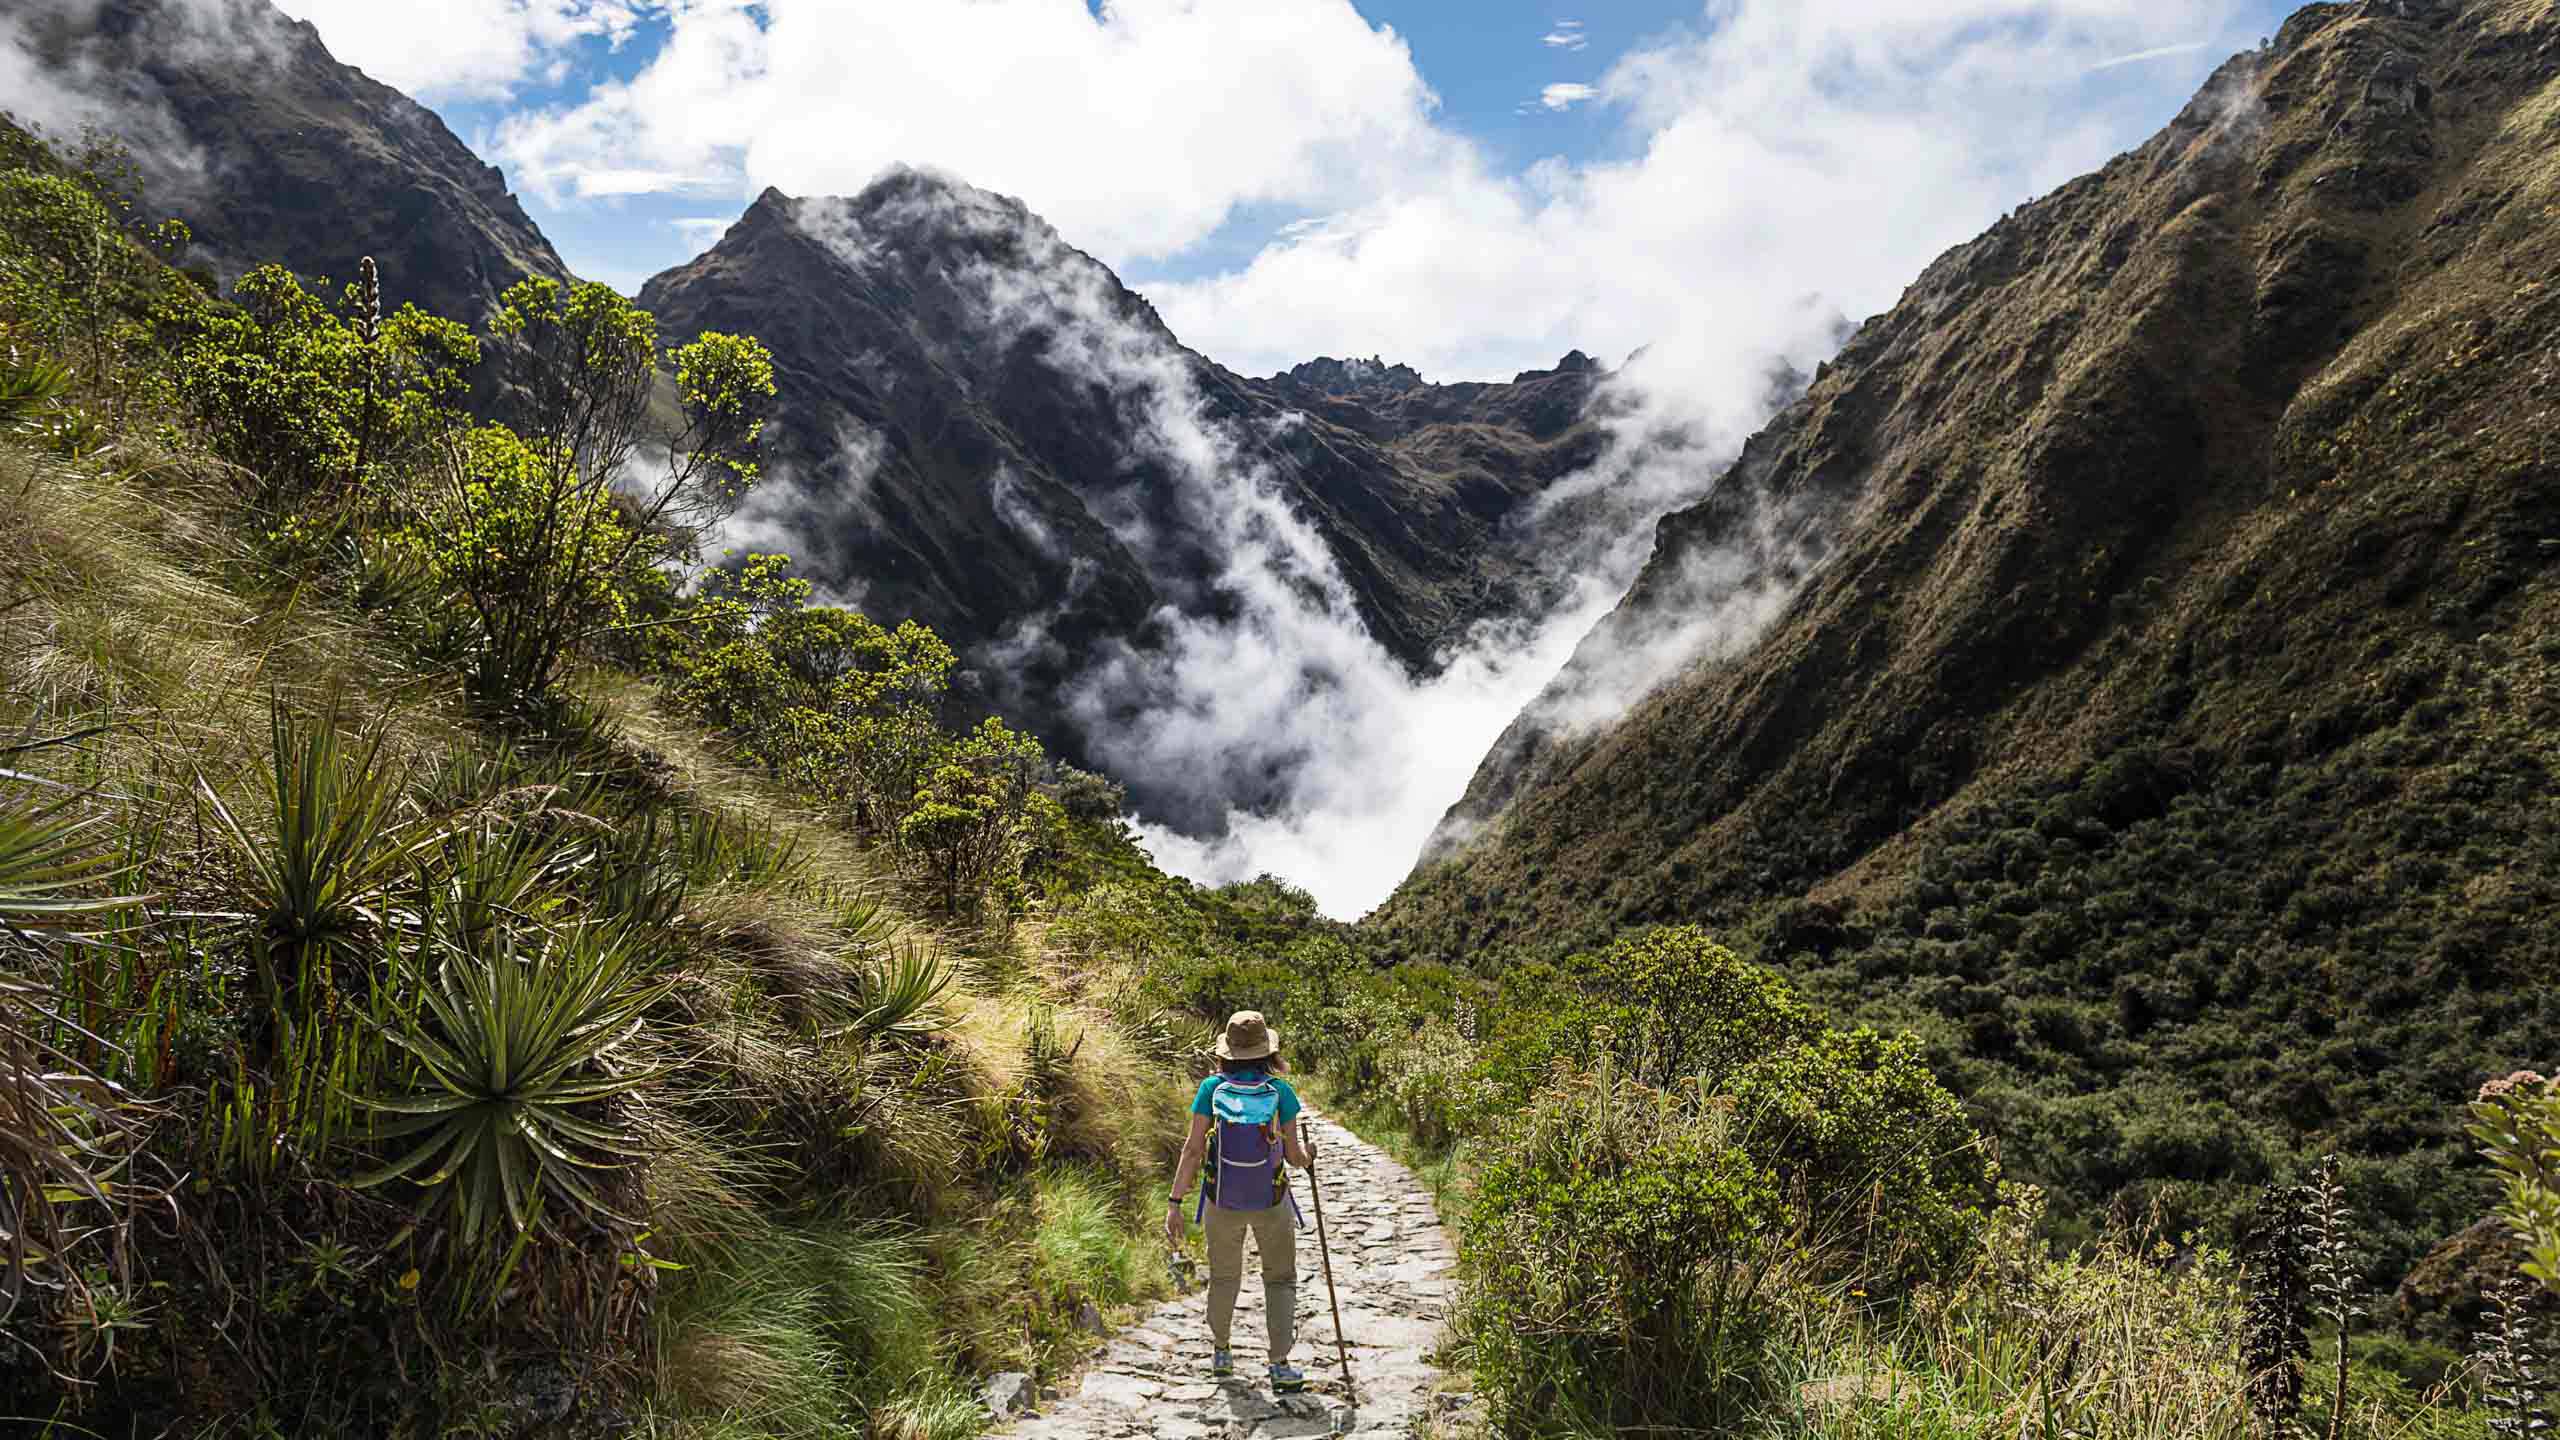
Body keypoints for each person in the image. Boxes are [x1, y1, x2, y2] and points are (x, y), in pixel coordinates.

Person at [1165, 1010, 1313, 1391]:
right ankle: (1279, 1364)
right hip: (1271, 1200)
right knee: (1279, 1279)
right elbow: (1294, 1157)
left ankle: (1222, 1352)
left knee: (1225, 1276)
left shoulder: (1211, 1089)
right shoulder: (1281, 1092)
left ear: (1228, 1050)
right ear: (1268, 1051)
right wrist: (1308, 1155)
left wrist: (1175, 1201)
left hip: (1222, 1199)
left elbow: (1193, 1149)